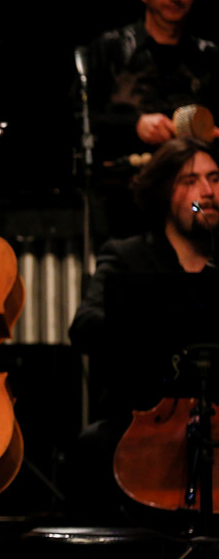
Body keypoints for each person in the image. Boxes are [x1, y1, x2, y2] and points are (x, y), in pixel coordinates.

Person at [67, 136, 219, 522]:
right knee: (94, 443)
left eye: (215, 178)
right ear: (164, 193)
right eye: (189, 181)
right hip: (149, 418)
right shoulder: (127, 256)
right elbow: (84, 326)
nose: (207, 191)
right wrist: (145, 320)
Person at [84, 0, 219, 161]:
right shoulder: (110, 50)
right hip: (119, 187)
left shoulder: (209, 57)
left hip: (196, 189)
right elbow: (78, 119)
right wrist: (134, 126)